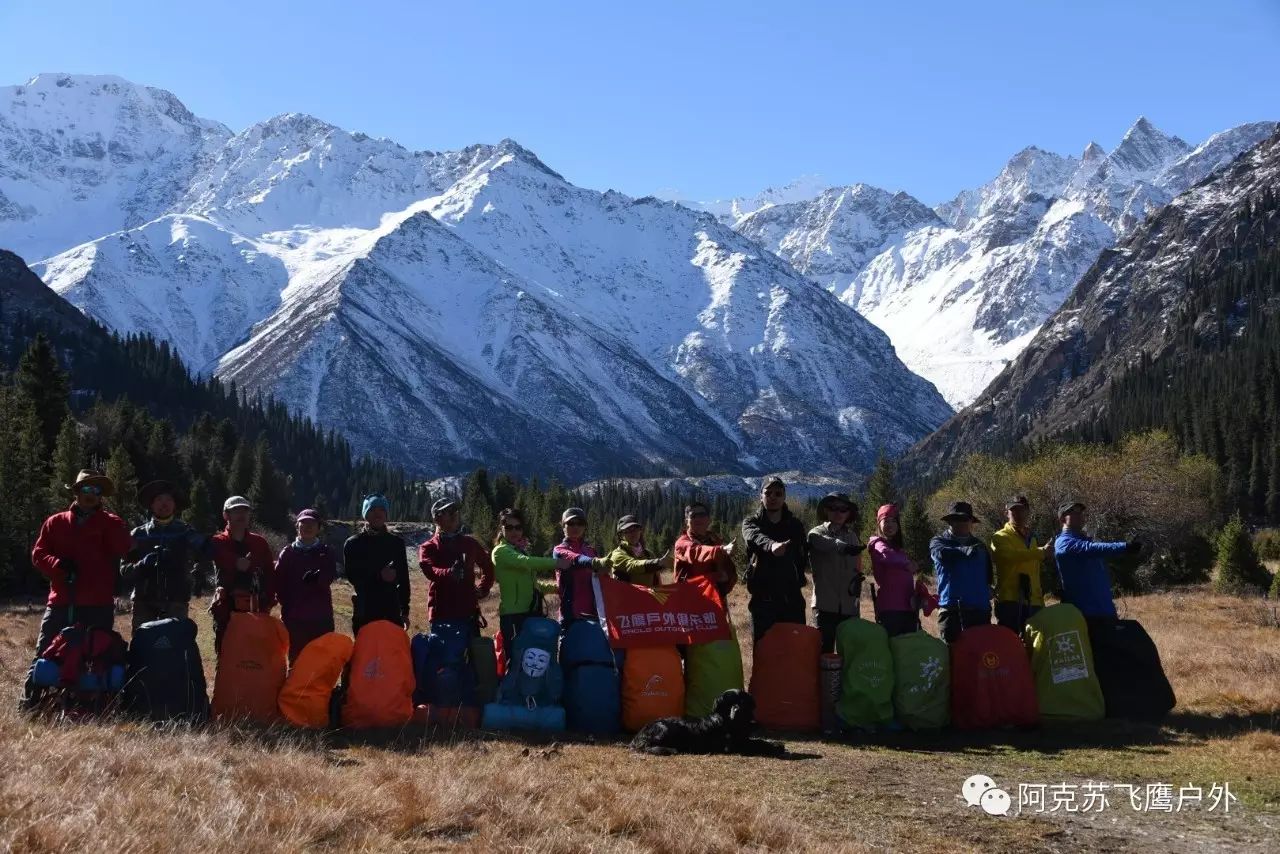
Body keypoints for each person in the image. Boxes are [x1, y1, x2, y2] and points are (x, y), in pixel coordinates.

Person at [22, 470, 132, 709]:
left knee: (98, 655)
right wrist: (58, 564)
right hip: (62, 600)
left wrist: (108, 525)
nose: (91, 495)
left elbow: (124, 547)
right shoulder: (56, 522)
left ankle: (91, 706)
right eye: (86, 489)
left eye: (96, 491)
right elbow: (38, 555)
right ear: (76, 492)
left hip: (97, 603)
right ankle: (31, 703)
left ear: (101, 496)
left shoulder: (111, 522)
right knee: (45, 650)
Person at [120, 480, 214, 632]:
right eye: (159, 500)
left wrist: (197, 571)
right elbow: (124, 571)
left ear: (175, 505)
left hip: (176, 602)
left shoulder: (185, 532)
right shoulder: (138, 534)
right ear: (151, 504)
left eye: (169, 500)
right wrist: (142, 565)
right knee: (143, 649)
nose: (164, 504)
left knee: (174, 649)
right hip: (144, 603)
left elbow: (209, 550)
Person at [491, 507, 566, 665]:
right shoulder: (500, 552)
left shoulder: (520, 552)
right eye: (509, 527)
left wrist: (556, 588)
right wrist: (557, 563)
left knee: (534, 661)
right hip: (513, 617)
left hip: (532, 615)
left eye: (518, 527)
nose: (514, 531)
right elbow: (526, 563)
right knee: (516, 661)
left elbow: (534, 584)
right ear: (501, 528)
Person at [741, 478, 809, 642]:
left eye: (778, 493)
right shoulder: (751, 523)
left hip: (792, 601)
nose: (773, 497)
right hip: (763, 602)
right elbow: (753, 537)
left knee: (794, 653)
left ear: (784, 497)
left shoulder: (795, 525)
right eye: (768, 493)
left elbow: (802, 556)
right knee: (765, 656)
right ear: (760, 496)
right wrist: (771, 545)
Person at [209, 495, 278, 654]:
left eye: (245, 511)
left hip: (256, 608)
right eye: (236, 511)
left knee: (255, 655)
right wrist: (235, 562)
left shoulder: (259, 542)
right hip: (226, 610)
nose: (241, 515)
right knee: (226, 655)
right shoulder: (216, 542)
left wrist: (269, 601)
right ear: (226, 515)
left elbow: (270, 573)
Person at [1054, 500, 1141, 626]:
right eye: (1073, 512)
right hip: (1085, 615)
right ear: (1062, 519)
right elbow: (1091, 548)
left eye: (1081, 512)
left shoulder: (1084, 540)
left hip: (1105, 611)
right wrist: (1124, 547)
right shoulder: (1063, 543)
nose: (1080, 515)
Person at [419, 497, 494, 636]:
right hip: (442, 614)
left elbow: (488, 566)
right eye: (448, 511)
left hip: (468, 613)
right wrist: (450, 573)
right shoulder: (428, 547)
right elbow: (430, 571)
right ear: (437, 519)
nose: (454, 514)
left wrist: (483, 589)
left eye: (455, 510)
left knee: (472, 656)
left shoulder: (469, 543)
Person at [275, 508, 337, 661]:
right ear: (297, 527)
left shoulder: (326, 552)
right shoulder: (288, 553)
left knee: (321, 659)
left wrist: (319, 579)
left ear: (318, 528)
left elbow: (330, 576)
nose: (308, 527)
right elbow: (278, 583)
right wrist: (287, 606)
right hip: (295, 618)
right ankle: (296, 686)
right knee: (297, 660)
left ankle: (321, 686)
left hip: (321, 617)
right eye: (304, 523)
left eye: (312, 523)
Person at [806, 492, 865, 653]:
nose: (838, 513)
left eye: (843, 509)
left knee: (849, 654)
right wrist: (840, 545)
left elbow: (857, 568)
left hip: (849, 607)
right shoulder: (816, 533)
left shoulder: (853, 537)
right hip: (824, 606)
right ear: (826, 511)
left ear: (848, 513)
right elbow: (819, 542)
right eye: (833, 508)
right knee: (823, 654)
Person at [343, 493, 410, 634]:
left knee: (391, 654)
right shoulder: (353, 543)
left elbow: (404, 579)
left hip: (391, 612)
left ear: (386, 514)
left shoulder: (396, 543)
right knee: (367, 655)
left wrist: (405, 611)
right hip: (364, 612)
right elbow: (353, 577)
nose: (377, 514)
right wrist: (379, 576)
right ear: (365, 515)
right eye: (372, 510)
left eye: (381, 510)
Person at [930, 501, 994, 644]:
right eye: (957, 519)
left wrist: (989, 590)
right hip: (952, 611)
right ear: (950, 521)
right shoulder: (939, 542)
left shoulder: (980, 545)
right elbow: (941, 555)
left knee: (981, 660)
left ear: (971, 521)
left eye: (965, 519)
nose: (961, 523)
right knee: (954, 658)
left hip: (980, 612)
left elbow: (988, 575)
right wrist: (964, 551)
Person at [990, 495, 1053, 634]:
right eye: (1014, 511)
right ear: (1006, 513)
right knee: (1011, 647)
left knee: (1035, 648)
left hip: (1034, 601)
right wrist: (1039, 552)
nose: (1018, 514)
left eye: (1022, 510)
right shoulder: (999, 537)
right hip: (1010, 601)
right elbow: (1007, 556)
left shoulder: (1032, 538)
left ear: (1028, 512)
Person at [867, 503, 926, 638]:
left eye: (894, 521)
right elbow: (886, 556)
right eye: (886, 521)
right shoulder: (876, 543)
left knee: (907, 652)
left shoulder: (899, 550)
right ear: (879, 524)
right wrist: (907, 565)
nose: (890, 525)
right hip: (890, 609)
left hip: (909, 608)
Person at [553, 507, 610, 623]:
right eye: (571, 523)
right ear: (563, 526)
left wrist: (604, 572)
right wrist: (596, 562)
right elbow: (576, 559)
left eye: (580, 523)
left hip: (595, 611)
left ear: (584, 527)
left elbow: (602, 578)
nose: (576, 527)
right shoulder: (559, 550)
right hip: (571, 613)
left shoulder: (591, 551)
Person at [673, 502, 737, 597]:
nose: (698, 519)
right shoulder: (682, 542)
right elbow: (694, 552)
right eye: (693, 516)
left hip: (716, 599)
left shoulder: (714, 540)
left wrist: (726, 583)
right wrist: (721, 550)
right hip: (689, 601)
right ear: (686, 521)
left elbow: (728, 570)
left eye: (702, 515)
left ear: (709, 519)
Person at [607, 515, 667, 588]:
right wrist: (657, 563)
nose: (633, 533)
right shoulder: (617, 554)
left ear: (640, 531)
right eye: (628, 531)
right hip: (626, 598)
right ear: (621, 535)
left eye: (635, 529)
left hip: (647, 598)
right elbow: (633, 566)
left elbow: (658, 581)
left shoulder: (649, 554)